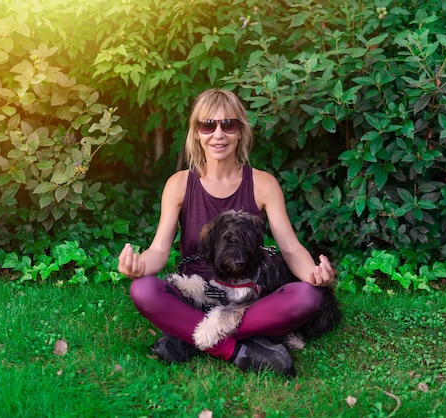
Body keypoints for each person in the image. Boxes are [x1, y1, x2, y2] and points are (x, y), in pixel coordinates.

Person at [117, 88, 335, 376]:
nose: (218, 134)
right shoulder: (179, 184)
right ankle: (240, 351)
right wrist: (139, 266)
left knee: (307, 297)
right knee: (143, 289)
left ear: (240, 132)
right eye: (208, 125)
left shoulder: (263, 184)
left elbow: (290, 248)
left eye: (228, 124)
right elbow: (159, 250)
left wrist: (313, 274)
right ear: (196, 132)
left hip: (247, 297)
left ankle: (187, 339)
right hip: (196, 293)